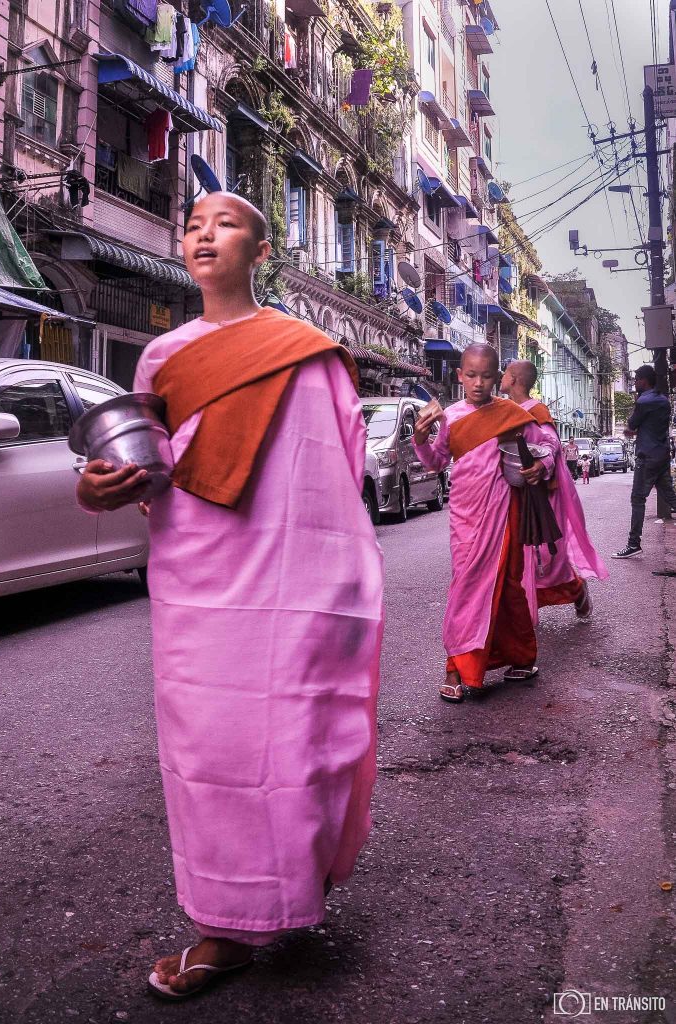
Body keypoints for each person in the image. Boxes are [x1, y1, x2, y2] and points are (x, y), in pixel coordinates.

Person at [76, 192, 384, 1000]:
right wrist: (103, 488)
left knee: (292, 736)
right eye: (193, 225)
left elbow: (334, 472)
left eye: (228, 223)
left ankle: (280, 895)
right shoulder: (162, 357)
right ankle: (229, 919)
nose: (205, 234)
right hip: (198, 583)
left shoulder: (309, 351)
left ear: (262, 249)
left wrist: (340, 579)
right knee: (209, 753)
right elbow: (143, 469)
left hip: (292, 582)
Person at [413, 344, 555, 703]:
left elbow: (549, 444)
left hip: (503, 512)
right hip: (464, 515)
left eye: (487, 376)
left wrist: (543, 464)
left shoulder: (509, 413)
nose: (478, 383)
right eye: (471, 375)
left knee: (507, 585)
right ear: (460, 375)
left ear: (498, 378)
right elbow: (435, 462)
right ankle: (458, 665)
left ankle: (517, 657)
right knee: (465, 585)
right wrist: (419, 438)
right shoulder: (451, 416)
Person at [499, 360, 606, 620]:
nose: (500, 377)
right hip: (511, 493)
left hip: (539, 492)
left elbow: (550, 443)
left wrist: (540, 463)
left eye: (505, 373)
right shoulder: (503, 409)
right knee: (514, 556)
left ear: (514, 379)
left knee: (547, 557)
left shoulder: (536, 410)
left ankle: (577, 590)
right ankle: (521, 619)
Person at [614, 365, 676, 558]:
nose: (635, 382)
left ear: (644, 380)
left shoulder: (643, 400)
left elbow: (631, 427)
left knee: (638, 499)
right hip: (662, 455)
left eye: (637, 379)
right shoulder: (664, 400)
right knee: (671, 496)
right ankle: (633, 543)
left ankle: (634, 544)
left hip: (647, 457)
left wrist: (631, 429)